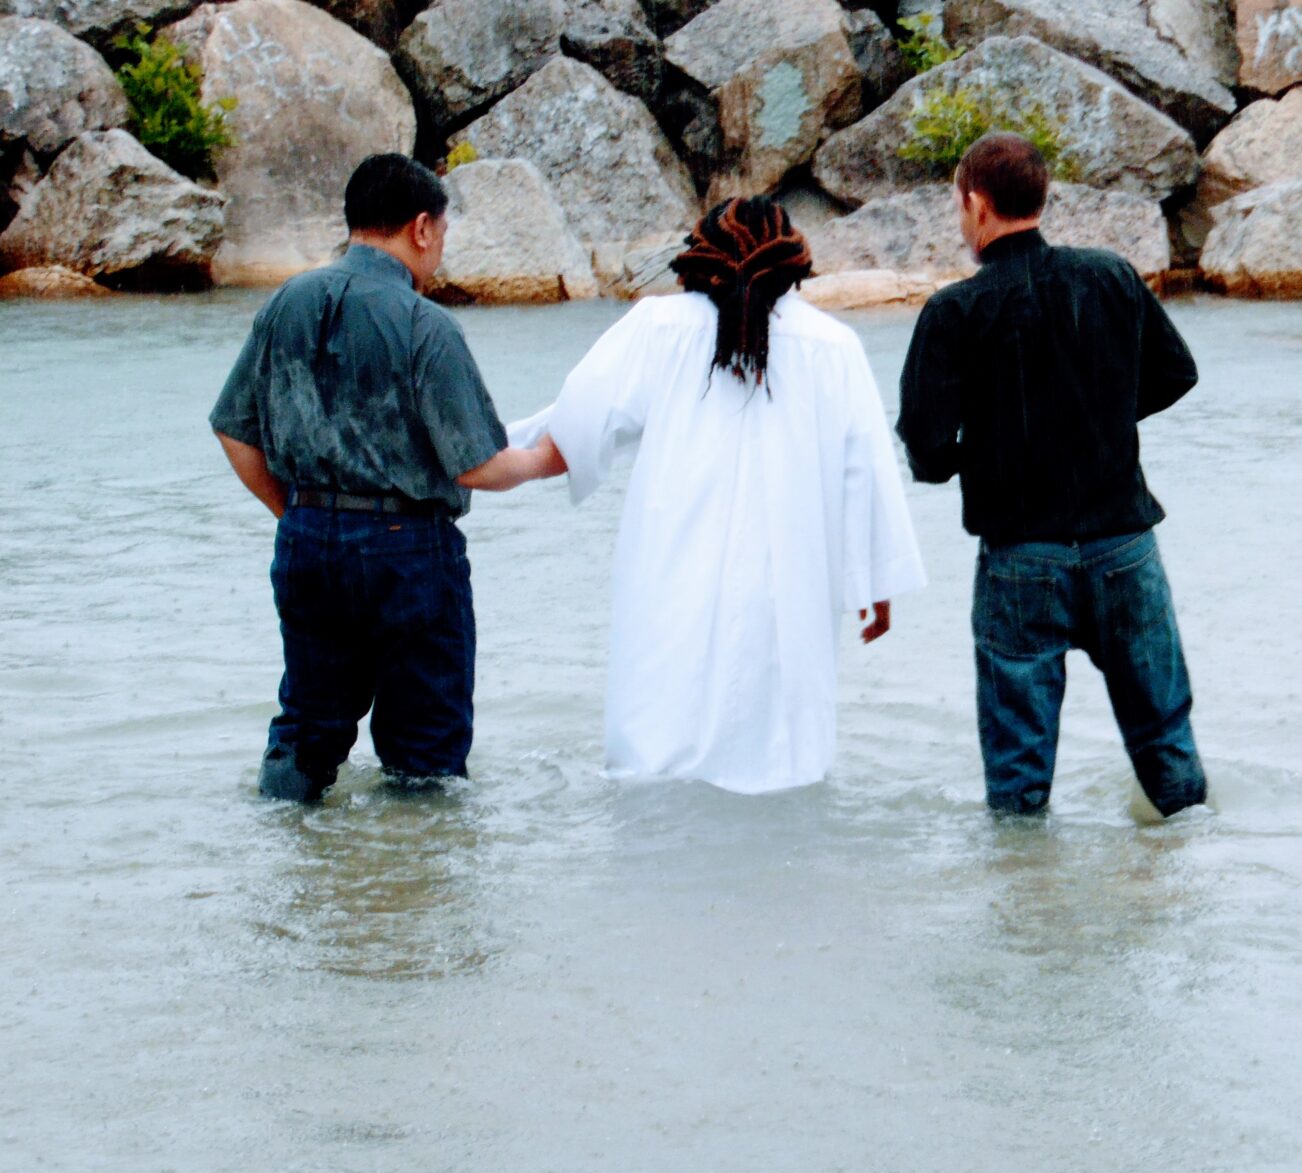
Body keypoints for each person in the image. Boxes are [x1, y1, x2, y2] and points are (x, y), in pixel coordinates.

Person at [507, 196, 925, 793]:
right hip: (788, 590)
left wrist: (478, 455)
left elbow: (571, 428)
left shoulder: (657, 329)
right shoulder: (834, 347)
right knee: (783, 767)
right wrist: (875, 586)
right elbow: (866, 472)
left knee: (656, 768)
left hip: (673, 582)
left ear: (698, 257)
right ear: (793, 262)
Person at [210, 153, 561, 803]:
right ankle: (411, 885)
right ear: (422, 228)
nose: (439, 252)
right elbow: (477, 465)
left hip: (308, 540)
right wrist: (552, 458)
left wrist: (295, 513)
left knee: (307, 729)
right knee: (424, 751)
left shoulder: (286, 303)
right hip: (409, 549)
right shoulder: (425, 324)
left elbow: (234, 428)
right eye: (443, 236)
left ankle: (293, 862)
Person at [896, 133, 1207, 818]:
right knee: (1166, 745)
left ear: (977, 205)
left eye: (958, 203)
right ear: (1040, 197)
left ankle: (1026, 910)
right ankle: (1190, 891)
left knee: (1019, 779)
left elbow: (923, 446)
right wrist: (1103, 418)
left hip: (1020, 559)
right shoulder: (1110, 275)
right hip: (1125, 544)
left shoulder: (953, 312)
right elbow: (1176, 373)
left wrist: (971, 455)